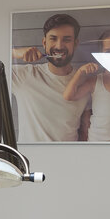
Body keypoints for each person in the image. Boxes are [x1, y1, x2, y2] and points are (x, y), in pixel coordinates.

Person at [11, 13, 88, 142]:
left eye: (66, 39)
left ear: (75, 44)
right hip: (29, 155)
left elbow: (86, 132)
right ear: (44, 43)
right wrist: (16, 53)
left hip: (69, 155)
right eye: (53, 39)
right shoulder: (24, 75)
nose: (59, 46)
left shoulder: (85, 82)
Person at [61, 29, 110, 142]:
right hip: (96, 142)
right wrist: (79, 72)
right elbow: (68, 96)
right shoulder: (95, 81)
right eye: (108, 51)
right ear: (101, 55)